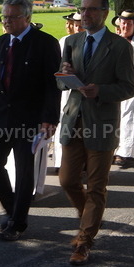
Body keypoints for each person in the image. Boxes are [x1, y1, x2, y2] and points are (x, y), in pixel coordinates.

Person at [56, 0, 134, 264]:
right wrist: (65, 75)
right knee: (67, 180)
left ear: (105, 13)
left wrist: (100, 90)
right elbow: (60, 83)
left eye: (91, 10)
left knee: (96, 186)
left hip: (102, 124)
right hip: (74, 121)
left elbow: (128, 87)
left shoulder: (120, 46)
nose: (85, 15)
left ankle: (84, 241)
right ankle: (89, 219)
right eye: (82, 9)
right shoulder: (71, 42)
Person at [0, 0, 61, 241]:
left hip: (29, 119)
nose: (7, 21)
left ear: (27, 18)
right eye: (4, 17)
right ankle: (12, 208)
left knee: (23, 171)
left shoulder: (45, 43)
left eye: (13, 17)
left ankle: (17, 222)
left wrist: (49, 118)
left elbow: (52, 85)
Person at [111, 10, 134, 168]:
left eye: (129, 24)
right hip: (113, 87)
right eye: (123, 23)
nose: (125, 26)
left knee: (128, 119)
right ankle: (111, 149)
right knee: (114, 118)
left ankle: (124, 152)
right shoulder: (113, 41)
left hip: (130, 87)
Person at [52, 11, 83, 171]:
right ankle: (60, 162)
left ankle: (79, 164)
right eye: (76, 25)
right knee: (63, 123)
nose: (77, 28)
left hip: (81, 91)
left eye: (80, 25)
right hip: (65, 90)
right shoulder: (64, 41)